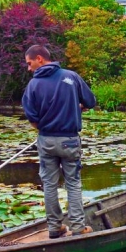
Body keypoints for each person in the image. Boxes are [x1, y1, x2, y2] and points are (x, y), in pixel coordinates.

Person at [22, 45, 96, 239]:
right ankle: (78, 228)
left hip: (46, 140)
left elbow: (32, 117)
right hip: (70, 140)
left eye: (30, 64)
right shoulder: (71, 77)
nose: (29, 69)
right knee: (73, 183)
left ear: (39, 58)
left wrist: (44, 129)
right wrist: (76, 107)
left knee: (49, 184)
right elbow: (90, 102)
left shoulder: (33, 86)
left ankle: (55, 228)